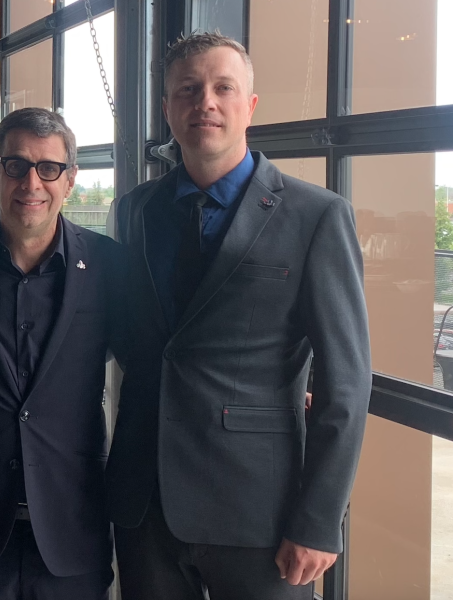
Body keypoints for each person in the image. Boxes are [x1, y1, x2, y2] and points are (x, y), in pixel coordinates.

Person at [107, 32, 372, 599]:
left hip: (261, 512)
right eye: (187, 89)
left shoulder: (316, 216)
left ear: (249, 105)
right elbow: (134, 338)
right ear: (167, 108)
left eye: (223, 87)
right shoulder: (135, 210)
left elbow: (346, 384)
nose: (205, 101)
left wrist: (320, 519)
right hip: (145, 501)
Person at [0, 107, 122, 600]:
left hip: (71, 529)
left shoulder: (108, 266)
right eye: (15, 165)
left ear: (71, 179)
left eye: (48, 168)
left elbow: (155, 362)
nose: (31, 182)